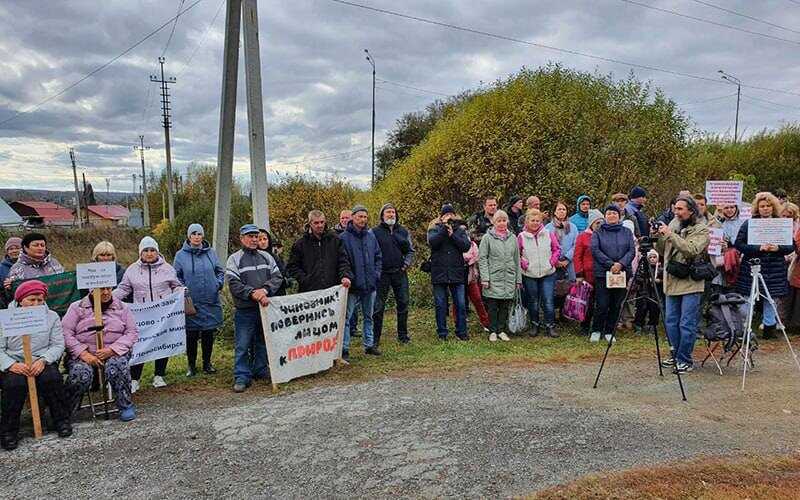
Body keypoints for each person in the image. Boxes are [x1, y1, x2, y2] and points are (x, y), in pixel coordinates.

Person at [0, 280, 72, 450]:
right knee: (14, 384)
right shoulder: (5, 318)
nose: (36, 304)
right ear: (20, 300)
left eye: (40, 300)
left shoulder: (52, 316)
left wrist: (44, 360)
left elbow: (57, 344)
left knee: (52, 378)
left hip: (41, 359)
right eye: (31, 300)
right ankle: (8, 430)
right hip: (15, 362)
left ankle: (60, 420)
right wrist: (11, 365)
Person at [113, 236, 182, 391]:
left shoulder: (167, 268)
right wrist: (109, 298)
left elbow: (175, 285)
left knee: (162, 343)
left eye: (152, 250)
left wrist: (181, 292)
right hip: (142, 315)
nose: (149, 253)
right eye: (146, 250)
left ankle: (159, 375)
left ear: (157, 251)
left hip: (162, 313)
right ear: (140, 253)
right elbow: (124, 288)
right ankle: (135, 379)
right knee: (139, 345)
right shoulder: (132, 270)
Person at [62, 286, 139, 422]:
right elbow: (66, 333)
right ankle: (65, 411)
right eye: (101, 289)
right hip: (84, 354)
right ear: (91, 290)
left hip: (114, 351)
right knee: (80, 373)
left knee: (118, 365)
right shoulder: (76, 307)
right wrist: (83, 353)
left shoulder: (122, 307)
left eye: (108, 289)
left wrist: (112, 350)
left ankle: (125, 404)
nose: (105, 292)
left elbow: (131, 332)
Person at [226, 224, 284, 392]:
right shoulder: (234, 259)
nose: (253, 239)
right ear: (242, 238)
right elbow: (234, 284)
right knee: (243, 344)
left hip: (265, 308)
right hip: (245, 309)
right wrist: (252, 293)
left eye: (255, 236)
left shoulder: (266, 256)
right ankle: (242, 375)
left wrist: (265, 290)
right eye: (250, 236)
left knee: (263, 341)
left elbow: (277, 277)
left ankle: (260, 369)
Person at [655, 195, 710, 373]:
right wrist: (659, 237)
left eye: (680, 209)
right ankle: (674, 354)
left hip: (690, 281)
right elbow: (663, 251)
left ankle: (684, 359)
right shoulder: (673, 224)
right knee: (671, 321)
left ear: (691, 210)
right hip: (671, 279)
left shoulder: (701, 229)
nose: (676, 212)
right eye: (675, 208)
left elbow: (691, 250)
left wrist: (670, 235)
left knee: (686, 323)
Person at [735, 192, 794, 339]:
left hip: (775, 268)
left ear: (773, 207)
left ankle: (769, 329)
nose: (765, 209)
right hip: (753, 266)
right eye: (762, 206)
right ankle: (744, 329)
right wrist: (758, 248)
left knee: (771, 299)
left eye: (768, 206)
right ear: (757, 208)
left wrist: (778, 248)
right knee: (748, 298)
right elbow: (739, 244)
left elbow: (791, 246)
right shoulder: (749, 223)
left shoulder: (781, 223)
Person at [173, 224, 224, 377]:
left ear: (203, 236)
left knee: (209, 333)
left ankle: (207, 363)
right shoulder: (180, 255)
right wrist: (183, 289)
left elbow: (219, 271)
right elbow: (176, 276)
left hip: (210, 300)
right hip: (191, 302)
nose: (196, 236)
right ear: (189, 236)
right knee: (192, 335)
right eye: (193, 234)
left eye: (199, 234)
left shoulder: (211, 253)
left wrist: (218, 284)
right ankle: (191, 366)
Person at [339, 205, 382, 358]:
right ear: (353, 217)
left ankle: (369, 345)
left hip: (370, 285)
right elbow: (342, 261)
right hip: (352, 286)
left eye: (365, 217)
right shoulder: (343, 238)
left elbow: (378, 256)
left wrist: (376, 274)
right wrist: (349, 277)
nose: (363, 219)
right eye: (360, 217)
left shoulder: (370, 236)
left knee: (368, 316)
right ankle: (343, 348)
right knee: (346, 318)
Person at [590, 205, 635, 343]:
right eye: (609, 213)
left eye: (614, 213)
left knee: (616, 304)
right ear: (605, 216)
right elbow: (595, 250)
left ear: (619, 215)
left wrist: (620, 264)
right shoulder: (598, 232)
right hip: (603, 273)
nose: (612, 216)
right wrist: (610, 264)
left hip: (621, 273)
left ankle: (610, 330)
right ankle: (596, 330)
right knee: (602, 304)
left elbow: (631, 251)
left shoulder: (626, 232)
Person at [372, 203, 414, 346]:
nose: (391, 215)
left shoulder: (403, 231)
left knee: (403, 303)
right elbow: (370, 252)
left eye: (393, 212)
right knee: (378, 307)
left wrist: (406, 264)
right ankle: (375, 339)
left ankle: (403, 336)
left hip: (399, 273)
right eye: (388, 212)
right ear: (382, 215)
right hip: (381, 274)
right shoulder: (374, 232)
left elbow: (410, 251)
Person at [428, 204, 471, 341]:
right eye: (446, 215)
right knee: (440, 304)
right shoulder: (434, 228)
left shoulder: (460, 229)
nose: (449, 217)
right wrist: (443, 230)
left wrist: (453, 234)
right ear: (441, 217)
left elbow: (466, 246)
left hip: (456, 271)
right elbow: (432, 243)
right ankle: (442, 333)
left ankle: (462, 332)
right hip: (439, 271)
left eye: (451, 214)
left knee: (460, 303)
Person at [479, 210, 522, 342]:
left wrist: (518, 279)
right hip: (493, 277)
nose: (502, 223)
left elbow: (517, 260)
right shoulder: (487, 238)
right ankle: (492, 330)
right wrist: (485, 278)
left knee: (505, 305)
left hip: (509, 277)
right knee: (492, 306)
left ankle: (501, 330)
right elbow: (482, 259)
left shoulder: (513, 238)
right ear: (493, 222)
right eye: (499, 221)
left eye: (504, 220)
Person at [286, 210, 353, 293]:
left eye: (322, 222)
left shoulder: (335, 240)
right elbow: (292, 266)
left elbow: (343, 261)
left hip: (332, 290)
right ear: (310, 223)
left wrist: (345, 276)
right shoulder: (300, 244)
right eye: (316, 223)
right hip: (310, 292)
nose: (320, 225)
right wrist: (305, 279)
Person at [520, 209, 561, 338]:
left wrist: (552, 261)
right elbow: (517, 254)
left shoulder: (548, 233)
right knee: (533, 301)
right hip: (529, 274)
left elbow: (557, 249)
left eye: (538, 220)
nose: (535, 223)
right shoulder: (521, 236)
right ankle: (534, 325)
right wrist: (523, 264)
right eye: (532, 220)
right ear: (527, 221)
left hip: (547, 272)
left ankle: (550, 326)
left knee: (548, 300)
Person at [574, 210, 604, 335]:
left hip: (602, 273)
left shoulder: (605, 235)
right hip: (588, 275)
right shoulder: (583, 236)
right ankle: (585, 326)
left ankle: (599, 327)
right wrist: (579, 274)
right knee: (588, 302)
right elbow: (577, 256)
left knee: (602, 302)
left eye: (601, 222)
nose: (599, 225)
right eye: (597, 222)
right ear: (591, 223)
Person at [456, 239, 490, 332]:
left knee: (478, 299)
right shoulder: (454, 242)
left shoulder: (472, 244)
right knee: (458, 301)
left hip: (471, 276)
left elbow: (476, 257)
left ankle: (486, 322)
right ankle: (458, 322)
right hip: (458, 276)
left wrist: (469, 261)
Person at [545, 201, 578, 281]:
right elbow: (545, 246)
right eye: (559, 209)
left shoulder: (573, 227)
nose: (562, 211)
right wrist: (555, 260)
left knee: (570, 289)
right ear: (555, 212)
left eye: (564, 209)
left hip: (569, 263)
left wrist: (567, 259)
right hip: (553, 263)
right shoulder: (547, 228)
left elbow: (576, 244)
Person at [633, 249, 662, 335]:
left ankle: (652, 326)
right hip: (643, 292)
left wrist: (659, 281)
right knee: (641, 310)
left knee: (654, 310)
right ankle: (639, 325)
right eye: (650, 257)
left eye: (654, 257)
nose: (653, 259)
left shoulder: (660, 269)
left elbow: (665, 280)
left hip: (655, 293)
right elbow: (637, 278)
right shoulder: (643, 267)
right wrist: (647, 280)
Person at [258, 229, 289, 296]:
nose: (263, 242)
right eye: (260, 240)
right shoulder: (254, 258)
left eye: (265, 239)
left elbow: (282, 273)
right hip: (261, 294)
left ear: (268, 240)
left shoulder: (275, 257)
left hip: (278, 293)